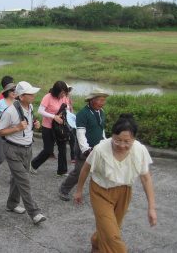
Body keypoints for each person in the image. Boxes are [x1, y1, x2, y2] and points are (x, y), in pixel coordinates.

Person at [74, 114, 157, 253]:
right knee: (112, 236)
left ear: (134, 139)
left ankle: (96, 242)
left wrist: (151, 208)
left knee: (112, 229)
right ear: (112, 135)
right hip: (100, 192)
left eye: (127, 141)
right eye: (117, 140)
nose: (122, 145)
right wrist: (79, 190)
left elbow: (146, 178)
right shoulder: (100, 149)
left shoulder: (139, 150)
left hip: (124, 193)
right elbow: (86, 168)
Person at [0, 81, 46, 225]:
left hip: (27, 149)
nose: (34, 96)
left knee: (17, 179)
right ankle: (35, 213)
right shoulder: (10, 111)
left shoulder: (29, 106)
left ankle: (11, 204)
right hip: (12, 150)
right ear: (22, 96)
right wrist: (17, 128)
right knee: (24, 181)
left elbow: (28, 125)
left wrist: (36, 125)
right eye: (31, 94)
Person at [59, 88, 109, 201]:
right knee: (79, 172)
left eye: (103, 100)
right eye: (100, 100)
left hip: (98, 147)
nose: (102, 103)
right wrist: (86, 149)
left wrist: (105, 140)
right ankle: (63, 189)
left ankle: (101, 192)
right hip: (84, 149)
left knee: (102, 170)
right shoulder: (83, 114)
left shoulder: (101, 112)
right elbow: (80, 133)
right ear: (92, 100)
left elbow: (101, 129)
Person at [30, 81, 70, 176]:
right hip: (48, 127)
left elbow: (67, 108)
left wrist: (64, 113)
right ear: (56, 91)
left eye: (65, 93)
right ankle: (33, 165)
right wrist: (54, 116)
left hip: (60, 127)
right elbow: (40, 110)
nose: (63, 95)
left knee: (62, 148)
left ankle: (62, 171)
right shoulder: (48, 97)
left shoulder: (64, 97)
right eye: (62, 93)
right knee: (48, 150)